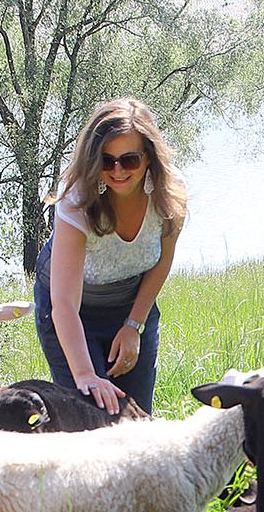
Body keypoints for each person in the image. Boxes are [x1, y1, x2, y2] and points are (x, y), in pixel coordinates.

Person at [34, 98, 187, 416]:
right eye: (107, 161)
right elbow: (63, 305)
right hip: (71, 313)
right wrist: (86, 376)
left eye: (129, 160)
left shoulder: (170, 197)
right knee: (90, 417)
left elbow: (162, 263)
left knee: (137, 419)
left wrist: (133, 325)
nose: (117, 171)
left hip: (130, 306)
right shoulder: (76, 204)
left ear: (148, 158)